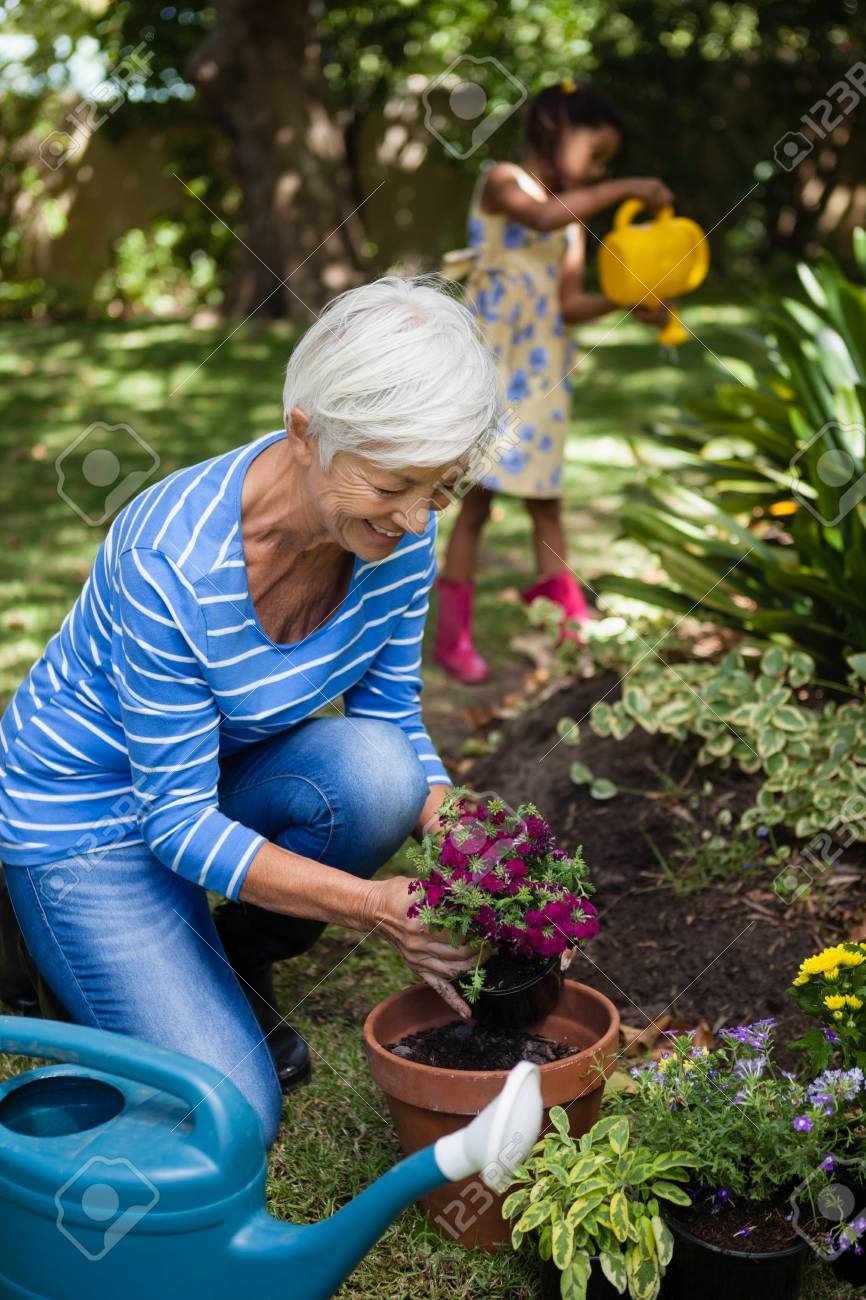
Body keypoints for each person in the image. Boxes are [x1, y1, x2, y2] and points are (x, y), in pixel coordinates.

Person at [0, 276, 500, 1147]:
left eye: (442, 491)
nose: (420, 521)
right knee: (236, 1116)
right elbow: (177, 822)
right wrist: (374, 906)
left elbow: (395, 726)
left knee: (377, 771)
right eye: (397, 484)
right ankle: (41, 935)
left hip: (208, 777)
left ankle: (227, 957)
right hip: (84, 817)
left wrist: (471, 838)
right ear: (305, 431)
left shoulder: (390, 541)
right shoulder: (170, 557)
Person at [436, 80, 673, 683]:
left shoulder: (571, 225)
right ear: (556, 128)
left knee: (545, 498)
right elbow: (538, 213)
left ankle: (566, 618)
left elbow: (567, 304)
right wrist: (626, 187)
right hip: (490, 368)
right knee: (476, 502)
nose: (599, 170)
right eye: (596, 155)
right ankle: (453, 635)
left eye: (608, 166)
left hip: (543, 373)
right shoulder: (503, 181)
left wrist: (629, 300)